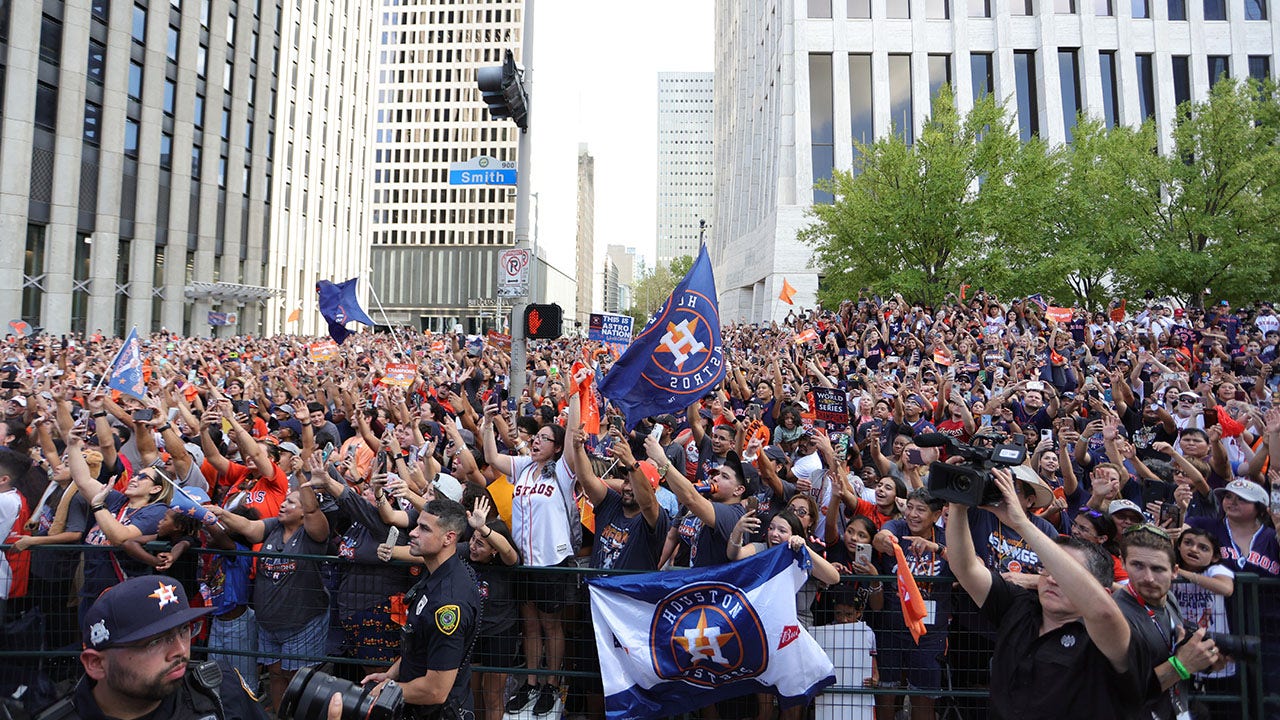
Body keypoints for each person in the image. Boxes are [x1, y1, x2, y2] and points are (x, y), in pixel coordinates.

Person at [946, 468, 1149, 720]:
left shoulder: (1108, 634)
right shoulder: (1019, 605)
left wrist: (1021, 524)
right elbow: (965, 568)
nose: (1052, 578)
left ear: (1101, 589)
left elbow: (1103, 612)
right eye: (1048, 568)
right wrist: (957, 504)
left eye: (1064, 573)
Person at [34, 574, 267, 720]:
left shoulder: (218, 688)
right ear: (96, 663)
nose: (180, 651)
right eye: (155, 641)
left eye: (184, 630)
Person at [361, 498, 481, 720]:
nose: (413, 533)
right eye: (417, 525)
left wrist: (388, 691)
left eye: (424, 528)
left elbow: (436, 690)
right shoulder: (436, 571)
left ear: (449, 538)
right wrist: (391, 675)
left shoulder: (449, 604)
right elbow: (417, 645)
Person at [1114, 524, 1224, 720]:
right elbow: (1126, 690)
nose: (1148, 578)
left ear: (1174, 571)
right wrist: (1181, 664)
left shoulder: (1169, 598)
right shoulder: (1117, 615)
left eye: (1158, 569)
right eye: (1137, 565)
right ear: (1123, 563)